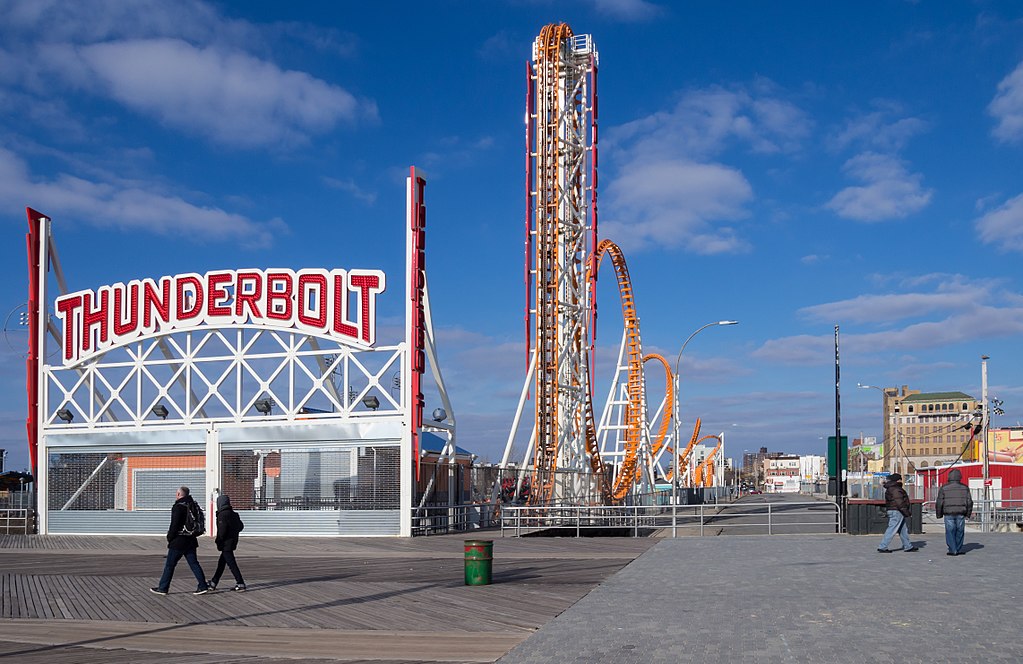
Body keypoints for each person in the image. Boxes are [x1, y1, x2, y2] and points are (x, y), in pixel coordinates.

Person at [150, 486, 210, 595]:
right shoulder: (193, 505)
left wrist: (170, 537)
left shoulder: (178, 507)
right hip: (191, 539)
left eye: (176, 493)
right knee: (194, 563)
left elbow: (175, 525)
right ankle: (203, 585)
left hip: (179, 540)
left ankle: (163, 588)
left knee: (170, 565)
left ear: (179, 494)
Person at [208, 494, 246, 591]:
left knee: (231, 564)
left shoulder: (222, 515)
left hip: (226, 544)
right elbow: (241, 527)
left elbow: (222, 531)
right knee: (221, 564)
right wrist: (233, 531)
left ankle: (240, 582)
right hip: (233, 542)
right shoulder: (234, 514)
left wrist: (218, 541)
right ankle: (213, 582)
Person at [935, 468, 973, 556]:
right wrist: (968, 514)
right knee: (960, 531)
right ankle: (958, 548)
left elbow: (940, 502)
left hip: (948, 513)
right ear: (960, 477)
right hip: (961, 513)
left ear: (949, 477)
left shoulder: (944, 488)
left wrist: (939, 514)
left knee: (950, 531)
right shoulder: (965, 488)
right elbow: (969, 502)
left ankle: (953, 549)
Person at [877, 473, 918, 553]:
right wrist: (907, 512)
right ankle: (883, 546)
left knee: (903, 530)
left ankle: (908, 546)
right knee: (892, 529)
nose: (901, 480)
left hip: (894, 510)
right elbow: (900, 502)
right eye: (900, 479)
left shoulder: (892, 488)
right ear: (897, 480)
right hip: (897, 511)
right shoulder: (896, 489)